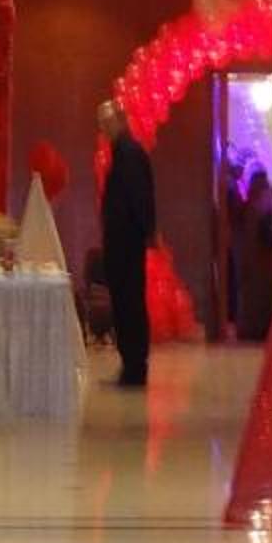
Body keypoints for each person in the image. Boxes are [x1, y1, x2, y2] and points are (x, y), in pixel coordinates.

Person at [97, 98, 156, 388]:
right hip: (124, 243)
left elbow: (139, 198)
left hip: (126, 245)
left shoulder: (129, 154)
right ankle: (131, 365)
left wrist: (147, 233)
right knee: (125, 302)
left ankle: (134, 367)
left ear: (119, 121)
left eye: (106, 123)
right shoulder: (123, 153)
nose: (103, 130)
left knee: (129, 303)